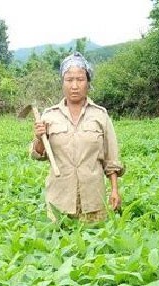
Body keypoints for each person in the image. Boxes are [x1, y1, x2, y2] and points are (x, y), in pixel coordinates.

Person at [30, 52, 125, 222]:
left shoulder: (100, 115)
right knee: (59, 245)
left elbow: (112, 159)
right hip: (59, 201)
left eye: (80, 79)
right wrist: (39, 138)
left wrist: (114, 190)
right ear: (62, 82)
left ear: (88, 82)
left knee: (94, 245)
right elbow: (38, 154)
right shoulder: (49, 116)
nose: (74, 85)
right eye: (69, 79)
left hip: (93, 201)